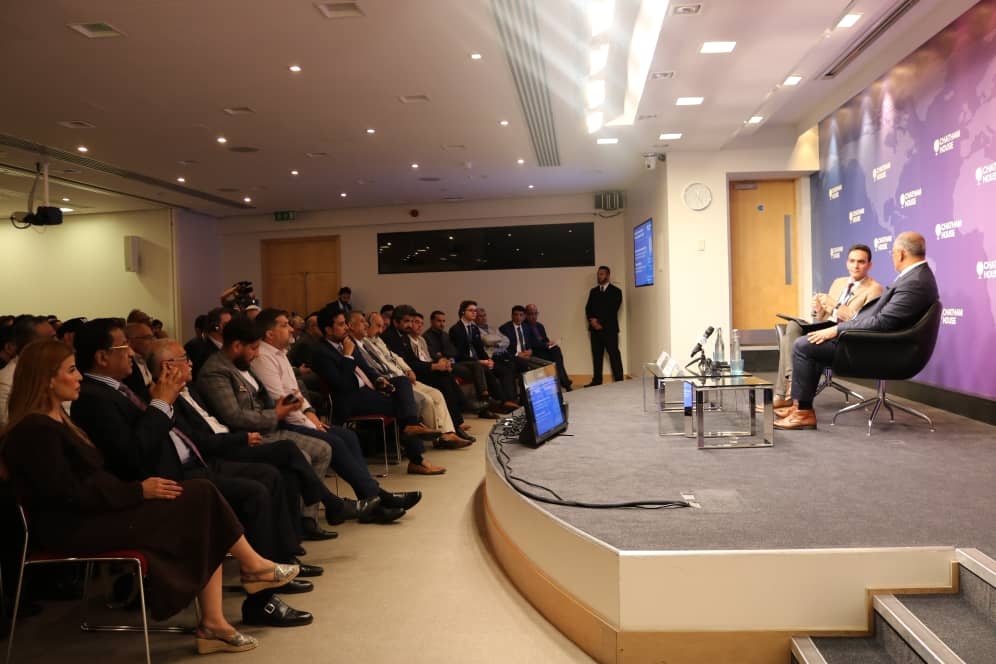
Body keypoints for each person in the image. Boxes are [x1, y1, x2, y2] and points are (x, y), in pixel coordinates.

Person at [0, 339, 304, 653]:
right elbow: (66, 493)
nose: (79, 377)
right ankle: (243, 582)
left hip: (94, 513)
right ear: (47, 379)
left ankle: (228, 604)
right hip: (73, 528)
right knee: (200, 498)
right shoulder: (34, 430)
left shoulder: (57, 421)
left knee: (202, 498)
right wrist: (138, 491)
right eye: (71, 370)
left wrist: (135, 491)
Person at [774, 232, 939, 430]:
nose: (893, 256)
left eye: (893, 252)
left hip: (883, 349)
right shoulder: (915, 277)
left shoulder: (915, 281)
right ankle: (799, 406)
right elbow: (882, 320)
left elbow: (882, 322)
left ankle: (803, 412)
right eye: (852, 261)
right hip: (874, 340)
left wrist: (836, 330)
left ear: (901, 254)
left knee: (804, 345)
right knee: (804, 336)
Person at [772, 244, 883, 408]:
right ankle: (791, 380)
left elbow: (861, 321)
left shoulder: (875, 289)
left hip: (846, 334)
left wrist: (836, 305)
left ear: (869, 265)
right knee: (793, 326)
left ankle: (784, 394)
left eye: (861, 262)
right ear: (847, 263)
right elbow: (823, 316)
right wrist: (818, 310)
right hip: (827, 326)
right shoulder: (839, 282)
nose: (855, 266)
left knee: (792, 341)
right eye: (852, 261)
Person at [584, 265, 623, 385]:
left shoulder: (616, 292)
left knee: (614, 356)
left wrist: (599, 322)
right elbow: (588, 308)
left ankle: (619, 381)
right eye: (598, 274)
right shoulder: (593, 291)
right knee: (596, 356)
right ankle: (597, 381)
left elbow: (612, 310)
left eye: (601, 274)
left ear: (608, 275)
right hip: (595, 330)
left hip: (609, 330)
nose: (599, 276)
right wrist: (592, 321)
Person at [523, 304, 572, 391]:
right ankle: (564, 381)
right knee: (557, 358)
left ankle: (563, 380)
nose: (534, 316)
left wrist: (550, 343)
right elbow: (530, 343)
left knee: (556, 350)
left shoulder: (540, 326)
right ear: (526, 314)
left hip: (544, 349)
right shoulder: (524, 327)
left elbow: (545, 339)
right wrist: (546, 345)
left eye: (535, 313)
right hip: (534, 351)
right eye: (531, 314)